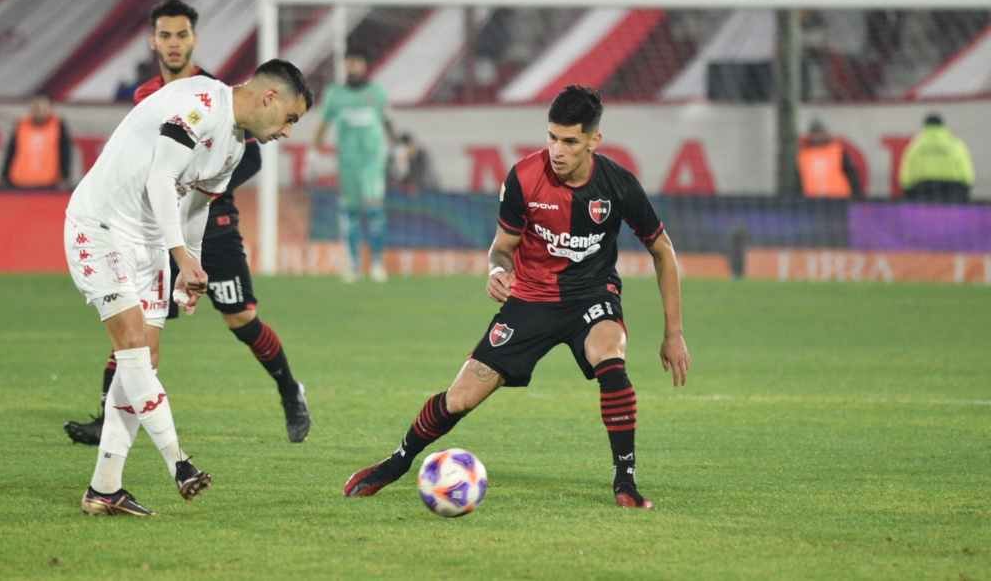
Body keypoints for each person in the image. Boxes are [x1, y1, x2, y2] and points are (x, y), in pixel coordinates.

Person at [343, 85, 690, 510]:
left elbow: (662, 250)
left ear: (594, 141)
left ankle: (626, 482)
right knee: (461, 397)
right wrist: (497, 270)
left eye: (570, 141)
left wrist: (674, 333)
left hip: (592, 296)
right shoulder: (525, 177)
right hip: (531, 298)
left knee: (609, 354)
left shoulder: (618, 185)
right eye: (552, 137)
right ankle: (396, 463)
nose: (557, 151)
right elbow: (501, 246)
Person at [65, 58, 311, 516]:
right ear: (269, 97)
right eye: (291, 118)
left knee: (144, 361)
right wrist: (180, 255)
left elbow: (195, 206)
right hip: (100, 227)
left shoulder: (235, 148)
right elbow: (161, 176)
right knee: (133, 350)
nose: (288, 131)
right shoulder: (201, 102)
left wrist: (189, 268)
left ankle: (104, 488)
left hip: (152, 242)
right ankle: (178, 463)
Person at [312, 47, 396, 283]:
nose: (352, 67)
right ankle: (354, 265)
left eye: (356, 62)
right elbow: (323, 124)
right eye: (349, 62)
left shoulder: (376, 93)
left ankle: (378, 264)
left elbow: (388, 121)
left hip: (372, 162)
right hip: (347, 163)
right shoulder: (334, 94)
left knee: (374, 211)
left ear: (365, 65)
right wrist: (314, 150)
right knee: (350, 214)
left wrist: (397, 148)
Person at [900, 113, 975, 202]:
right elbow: (965, 167)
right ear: (942, 126)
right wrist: (967, 186)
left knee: (925, 215)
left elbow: (907, 170)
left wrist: (907, 188)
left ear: (925, 126)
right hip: (953, 188)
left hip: (923, 189)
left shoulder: (916, 145)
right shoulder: (955, 144)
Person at [1, 94, 72, 189]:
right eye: (36, 107)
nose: (39, 110)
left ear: (50, 108)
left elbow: (65, 153)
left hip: (49, 184)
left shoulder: (58, 126)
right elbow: (11, 151)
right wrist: (4, 175)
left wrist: (65, 176)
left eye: (43, 107)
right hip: (19, 182)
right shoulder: (21, 125)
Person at [795, 120, 862, 199]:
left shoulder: (838, 150)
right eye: (815, 133)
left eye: (820, 133)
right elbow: (798, 180)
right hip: (813, 201)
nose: (817, 137)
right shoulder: (803, 154)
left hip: (839, 198)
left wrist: (857, 195)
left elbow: (851, 174)